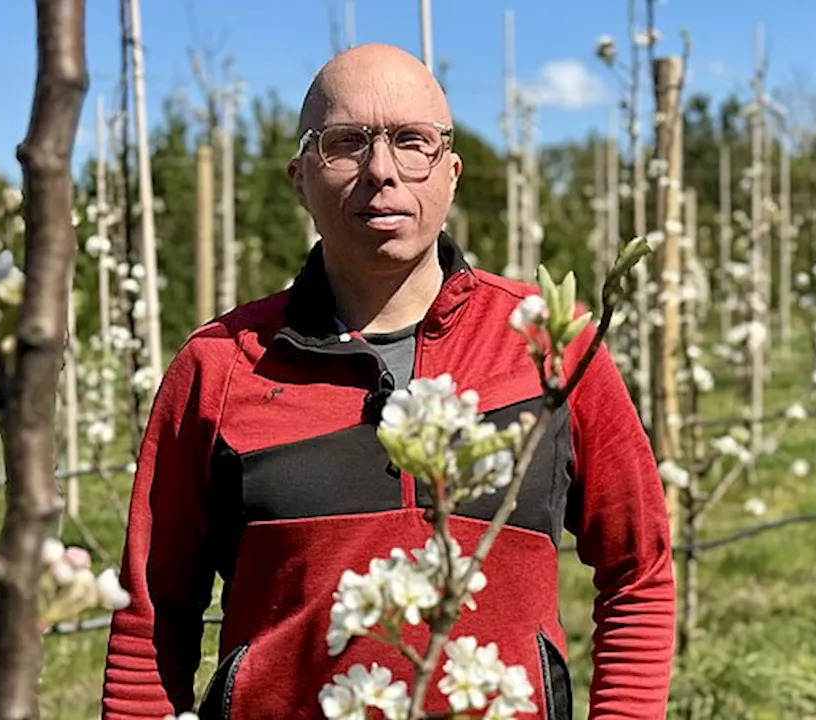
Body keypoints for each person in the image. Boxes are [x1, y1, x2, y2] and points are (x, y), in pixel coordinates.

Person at [101, 43, 674, 720]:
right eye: (346, 143)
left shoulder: (549, 339)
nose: (381, 171)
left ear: (452, 172)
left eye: (412, 142)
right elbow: (150, 616)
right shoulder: (219, 365)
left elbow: (640, 573)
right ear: (299, 178)